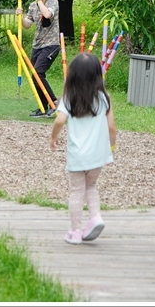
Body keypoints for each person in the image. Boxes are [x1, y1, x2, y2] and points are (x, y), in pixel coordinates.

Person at [50, 52, 117, 245]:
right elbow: (111, 127)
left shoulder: (69, 97)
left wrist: (53, 137)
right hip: (98, 155)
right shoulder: (104, 98)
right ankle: (95, 217)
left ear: (73, 75)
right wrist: (111, 147)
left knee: (77, 191)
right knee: (91, 186)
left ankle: (75, 231)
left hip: (78, 156)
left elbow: (59, 120)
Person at [15, 0, 60, 117]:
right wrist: (20, 17)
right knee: (35, 76)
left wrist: (39, 1)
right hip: (37, 45)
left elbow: (47, 14)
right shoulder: (33, 6)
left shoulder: (53, 1)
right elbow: (27, 25)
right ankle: (43, 107)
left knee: (38, 72)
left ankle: (55, 102)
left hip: (51, 44)